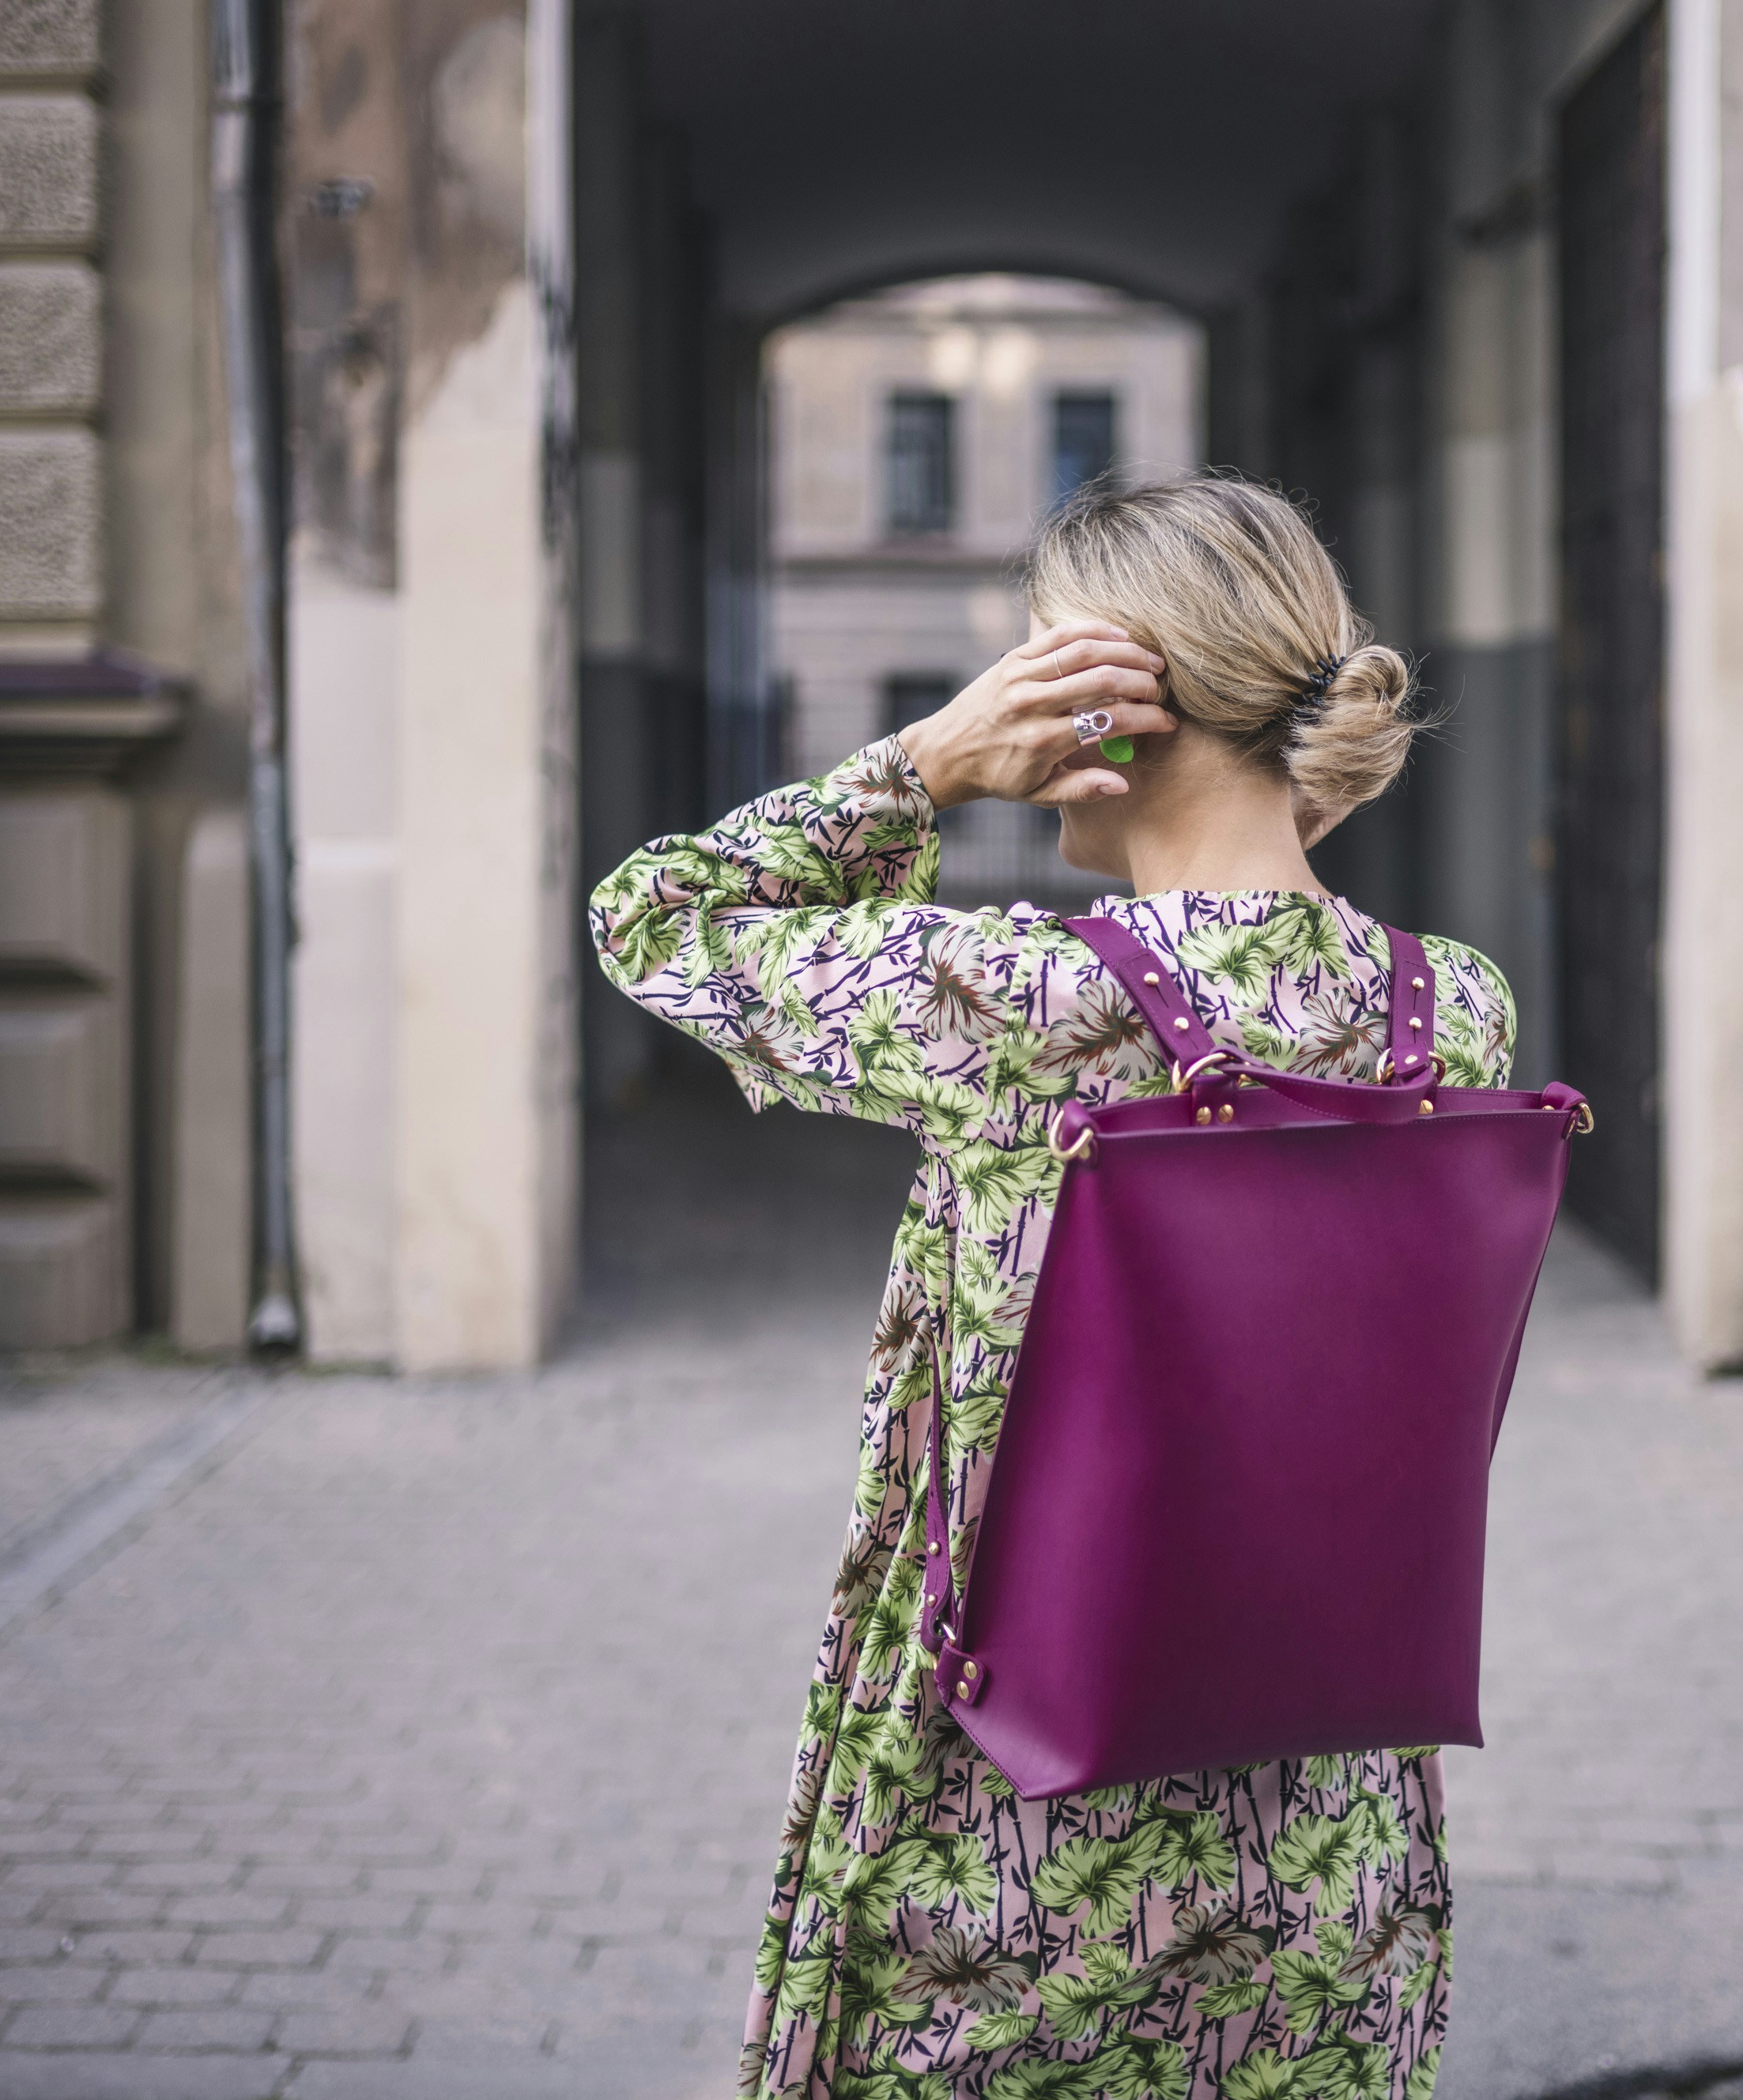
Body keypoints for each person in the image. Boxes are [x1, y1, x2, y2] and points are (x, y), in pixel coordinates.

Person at [590, 473, 1516, 2100]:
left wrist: (927, 765)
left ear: (1104, 698)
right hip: (1332, 1838)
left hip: (1018, 1838)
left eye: (1027, 661)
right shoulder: (1454, 1011)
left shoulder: (1021, 999)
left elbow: (655, 918)